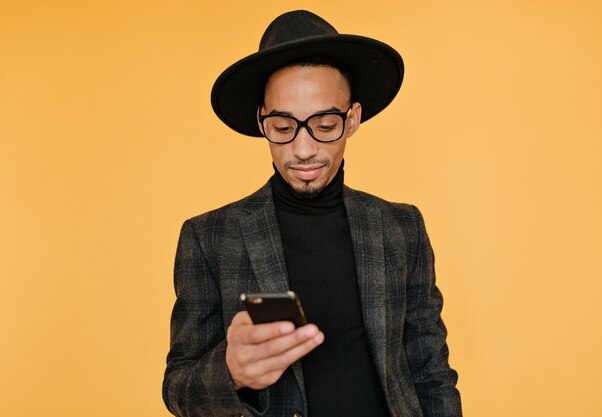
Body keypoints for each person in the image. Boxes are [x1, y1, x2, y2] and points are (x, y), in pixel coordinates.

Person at [163, 9, 462, 417]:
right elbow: (178, 387)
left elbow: (432, 372)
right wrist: (229, 372)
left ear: (352, 119)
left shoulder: (402, 227)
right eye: (284, 127)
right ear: (262, 121)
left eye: (324, 124)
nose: (303, 149)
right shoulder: (209, 237)